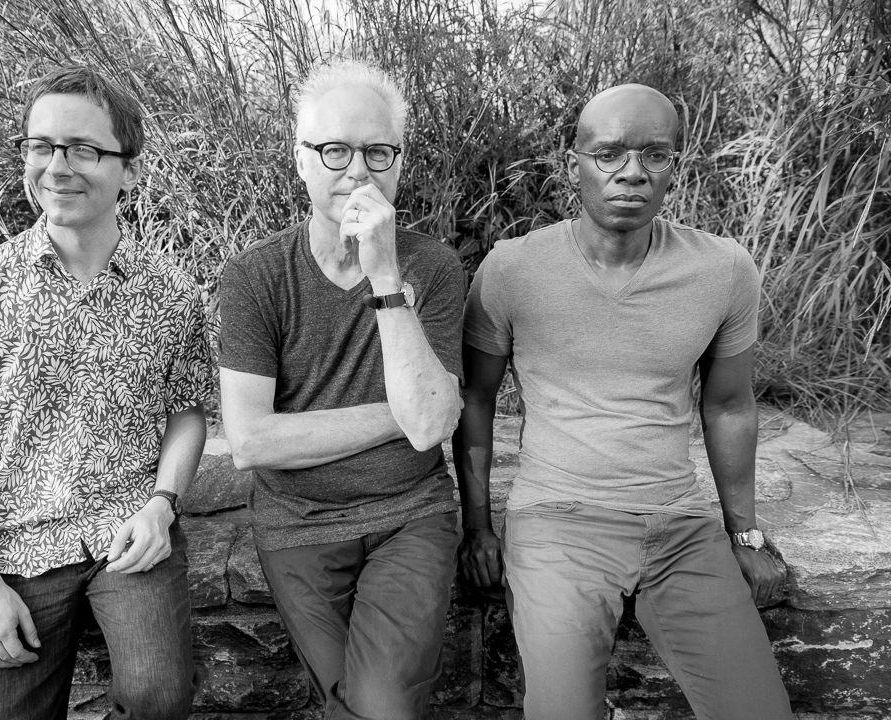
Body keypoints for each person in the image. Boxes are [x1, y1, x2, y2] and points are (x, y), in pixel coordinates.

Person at [455, 83, 793, 720]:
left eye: (654, 154)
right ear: (574, 165)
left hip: (680, 525)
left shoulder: (722, 269)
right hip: (558, 522)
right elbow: (475, 397)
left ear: (674, 167)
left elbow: (728, 405)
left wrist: (744, 532)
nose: (632, 172)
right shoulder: (512, 269)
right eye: (609, 154)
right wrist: (477, 528)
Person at [0, 66, 212, 720]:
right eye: (42, 146)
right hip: (17, 546)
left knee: (159, 697)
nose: (56, 167)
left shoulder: (172, 292)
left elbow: (188, 413)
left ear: (129, 170)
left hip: (127, 532)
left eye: (82, 149)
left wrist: (162, 505)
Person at [218, 59, 465, 719]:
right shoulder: (255, 277)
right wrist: (399, 414)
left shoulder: (432, 268)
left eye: (378, 152)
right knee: (351, 705)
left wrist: (384, 275)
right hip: (299, 526)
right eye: (335, 150)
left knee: (379, 705)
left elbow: (432, 425)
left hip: (410, 516)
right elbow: (251, 441)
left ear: (398, 164)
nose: (358, 171)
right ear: (301, 160)